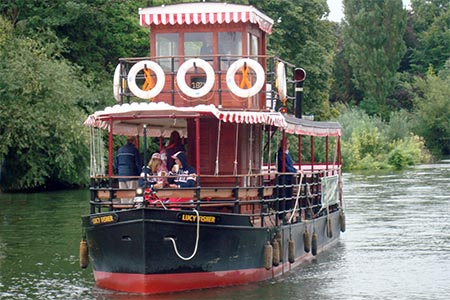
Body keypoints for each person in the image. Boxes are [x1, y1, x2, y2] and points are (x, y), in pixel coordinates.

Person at [114, 136, 142, 202]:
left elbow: (116, 163)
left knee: (124, 194)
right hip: (132, 174)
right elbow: (138, 163)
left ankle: (124, 207)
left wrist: (118, 173)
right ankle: (131, 208)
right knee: (132, 194)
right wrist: (140, 174)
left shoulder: (120, 150)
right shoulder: (134, 150)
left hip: (121, 175)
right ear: (134, 141)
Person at [277, 139, 298, 221]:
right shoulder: (280, 154)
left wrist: (296, 170)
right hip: (283, 178)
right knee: (283, 196)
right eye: (285, 144)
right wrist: (294, 171)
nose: (286, 145)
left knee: (288, 195)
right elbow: (284, 166)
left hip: (289, 178)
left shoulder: (287, 154)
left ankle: (286, 212)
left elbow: (290, 165)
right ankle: (281, 214)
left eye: (287, 144)